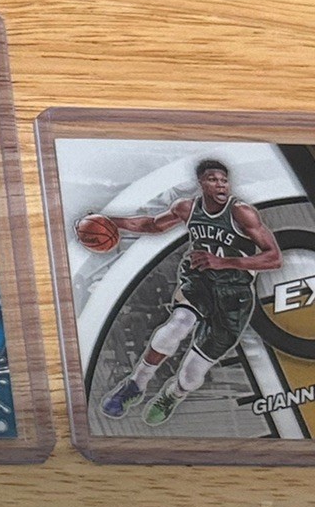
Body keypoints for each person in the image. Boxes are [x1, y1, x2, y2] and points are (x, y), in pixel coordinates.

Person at [93, 159, 282, 425]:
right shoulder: (187, 207)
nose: (220, 185)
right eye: (213, 179)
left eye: (224, 180)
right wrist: (110, 222)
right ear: (201, 183)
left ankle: (173, 394)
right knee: (176, 326)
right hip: (200, 280)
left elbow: (274, 258)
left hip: (235, 293)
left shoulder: (242, 212)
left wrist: (225, 262)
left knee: (192, 375)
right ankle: (135, 384)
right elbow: (152, 225)